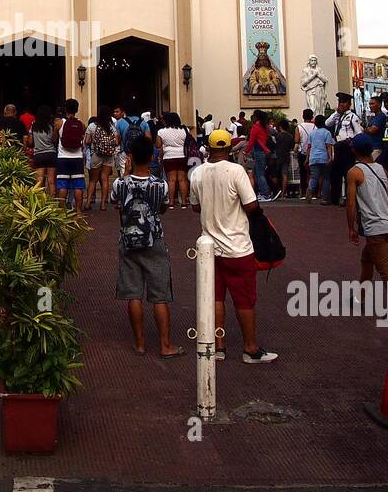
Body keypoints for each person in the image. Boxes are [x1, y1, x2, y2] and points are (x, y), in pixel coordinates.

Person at [189, 129, 278, 364]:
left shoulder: (197, 173)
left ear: (208, 148)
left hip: (209, 247)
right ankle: (250, 348)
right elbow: (251, 206)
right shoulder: (235, 171)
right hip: (237, 246)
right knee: (244, 300)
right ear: (229, 149)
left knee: (216, 297)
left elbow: (195, 208)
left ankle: (219, 346)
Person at [111, 135, 183, 358]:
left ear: (130, 157)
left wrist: (125, 174)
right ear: (152, 157)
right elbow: (162, 209)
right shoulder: (159, 185)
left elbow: (117, 204)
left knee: (134, 293)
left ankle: (140, 343)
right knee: (160, 295)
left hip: (128, 240)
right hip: (155, 239)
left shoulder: (120, 184)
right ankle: (165, 344)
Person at [346, 133, 388, 283]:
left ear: (354, 150)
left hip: (374, 225)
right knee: (367, 259)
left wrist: (351, 228)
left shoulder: (354, 172)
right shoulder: (382, 169)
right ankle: (360, 296)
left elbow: (351, 203)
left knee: (385, 270)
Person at [324, 92, 363, 205]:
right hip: (338, 145)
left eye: (343, 102)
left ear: (349, 104)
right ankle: (334, 197)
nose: (341, 104)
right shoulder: (338, 116)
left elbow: (358, 133)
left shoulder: (353, 117)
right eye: (340, 102)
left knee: (347, 173)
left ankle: (347, 198)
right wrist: (337, 112)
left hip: (347, 146)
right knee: (335, 172)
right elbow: (327, 123)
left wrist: (354, 145)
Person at [54, 98, 87, 213]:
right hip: (77, 157)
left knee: (62, 185)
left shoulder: (59, 123)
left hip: (63, 157)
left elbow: (54, 138)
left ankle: (62, 211)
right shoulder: (81, 124)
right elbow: (82, 139)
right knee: (78, 185)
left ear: (65, 109)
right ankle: (78, 211)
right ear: (77, 109)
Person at [155, 111, 193, 209]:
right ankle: (184, 202)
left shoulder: (161, 131)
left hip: (169, 156)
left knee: (171, 180)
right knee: (182, 179)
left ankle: (171, 202)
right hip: (182, 156)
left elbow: (158, 145)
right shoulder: (185, 130)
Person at [84, 106, 119, 210]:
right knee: (105, 179)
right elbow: (116, 142)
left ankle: (88, 202)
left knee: (93, 180)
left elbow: (86, 141)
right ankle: (103, 204)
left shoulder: (92, 126)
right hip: (108, 155)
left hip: (96, 154)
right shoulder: (111, 127)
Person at [304, 117, 334, 204]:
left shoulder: (312, 133)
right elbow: (328, 146)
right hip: (323, 157)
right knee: (326, 178)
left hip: (313, 157)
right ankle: (325, 197)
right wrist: (330, 157)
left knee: (314, 177)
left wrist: (307, 159)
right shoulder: (327, 133)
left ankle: (309, 190)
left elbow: (309, 147)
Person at [28, 105, 57, 192]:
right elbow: (54, 140)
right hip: (51, 154)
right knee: (51, 181)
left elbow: (30, 142)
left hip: (38, 155)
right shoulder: (51, 126)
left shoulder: (34, 125)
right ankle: (53, 202)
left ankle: (40, 202)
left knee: (39, 180)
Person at [245, 110, 272, 198]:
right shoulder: (266, 127)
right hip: (265, 151)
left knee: (259, 174)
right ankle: (263, 191)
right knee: (258, 173)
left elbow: (251, 142)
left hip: (258, 151)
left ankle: (265, 193)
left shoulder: (255, 127)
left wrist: (245, 151)